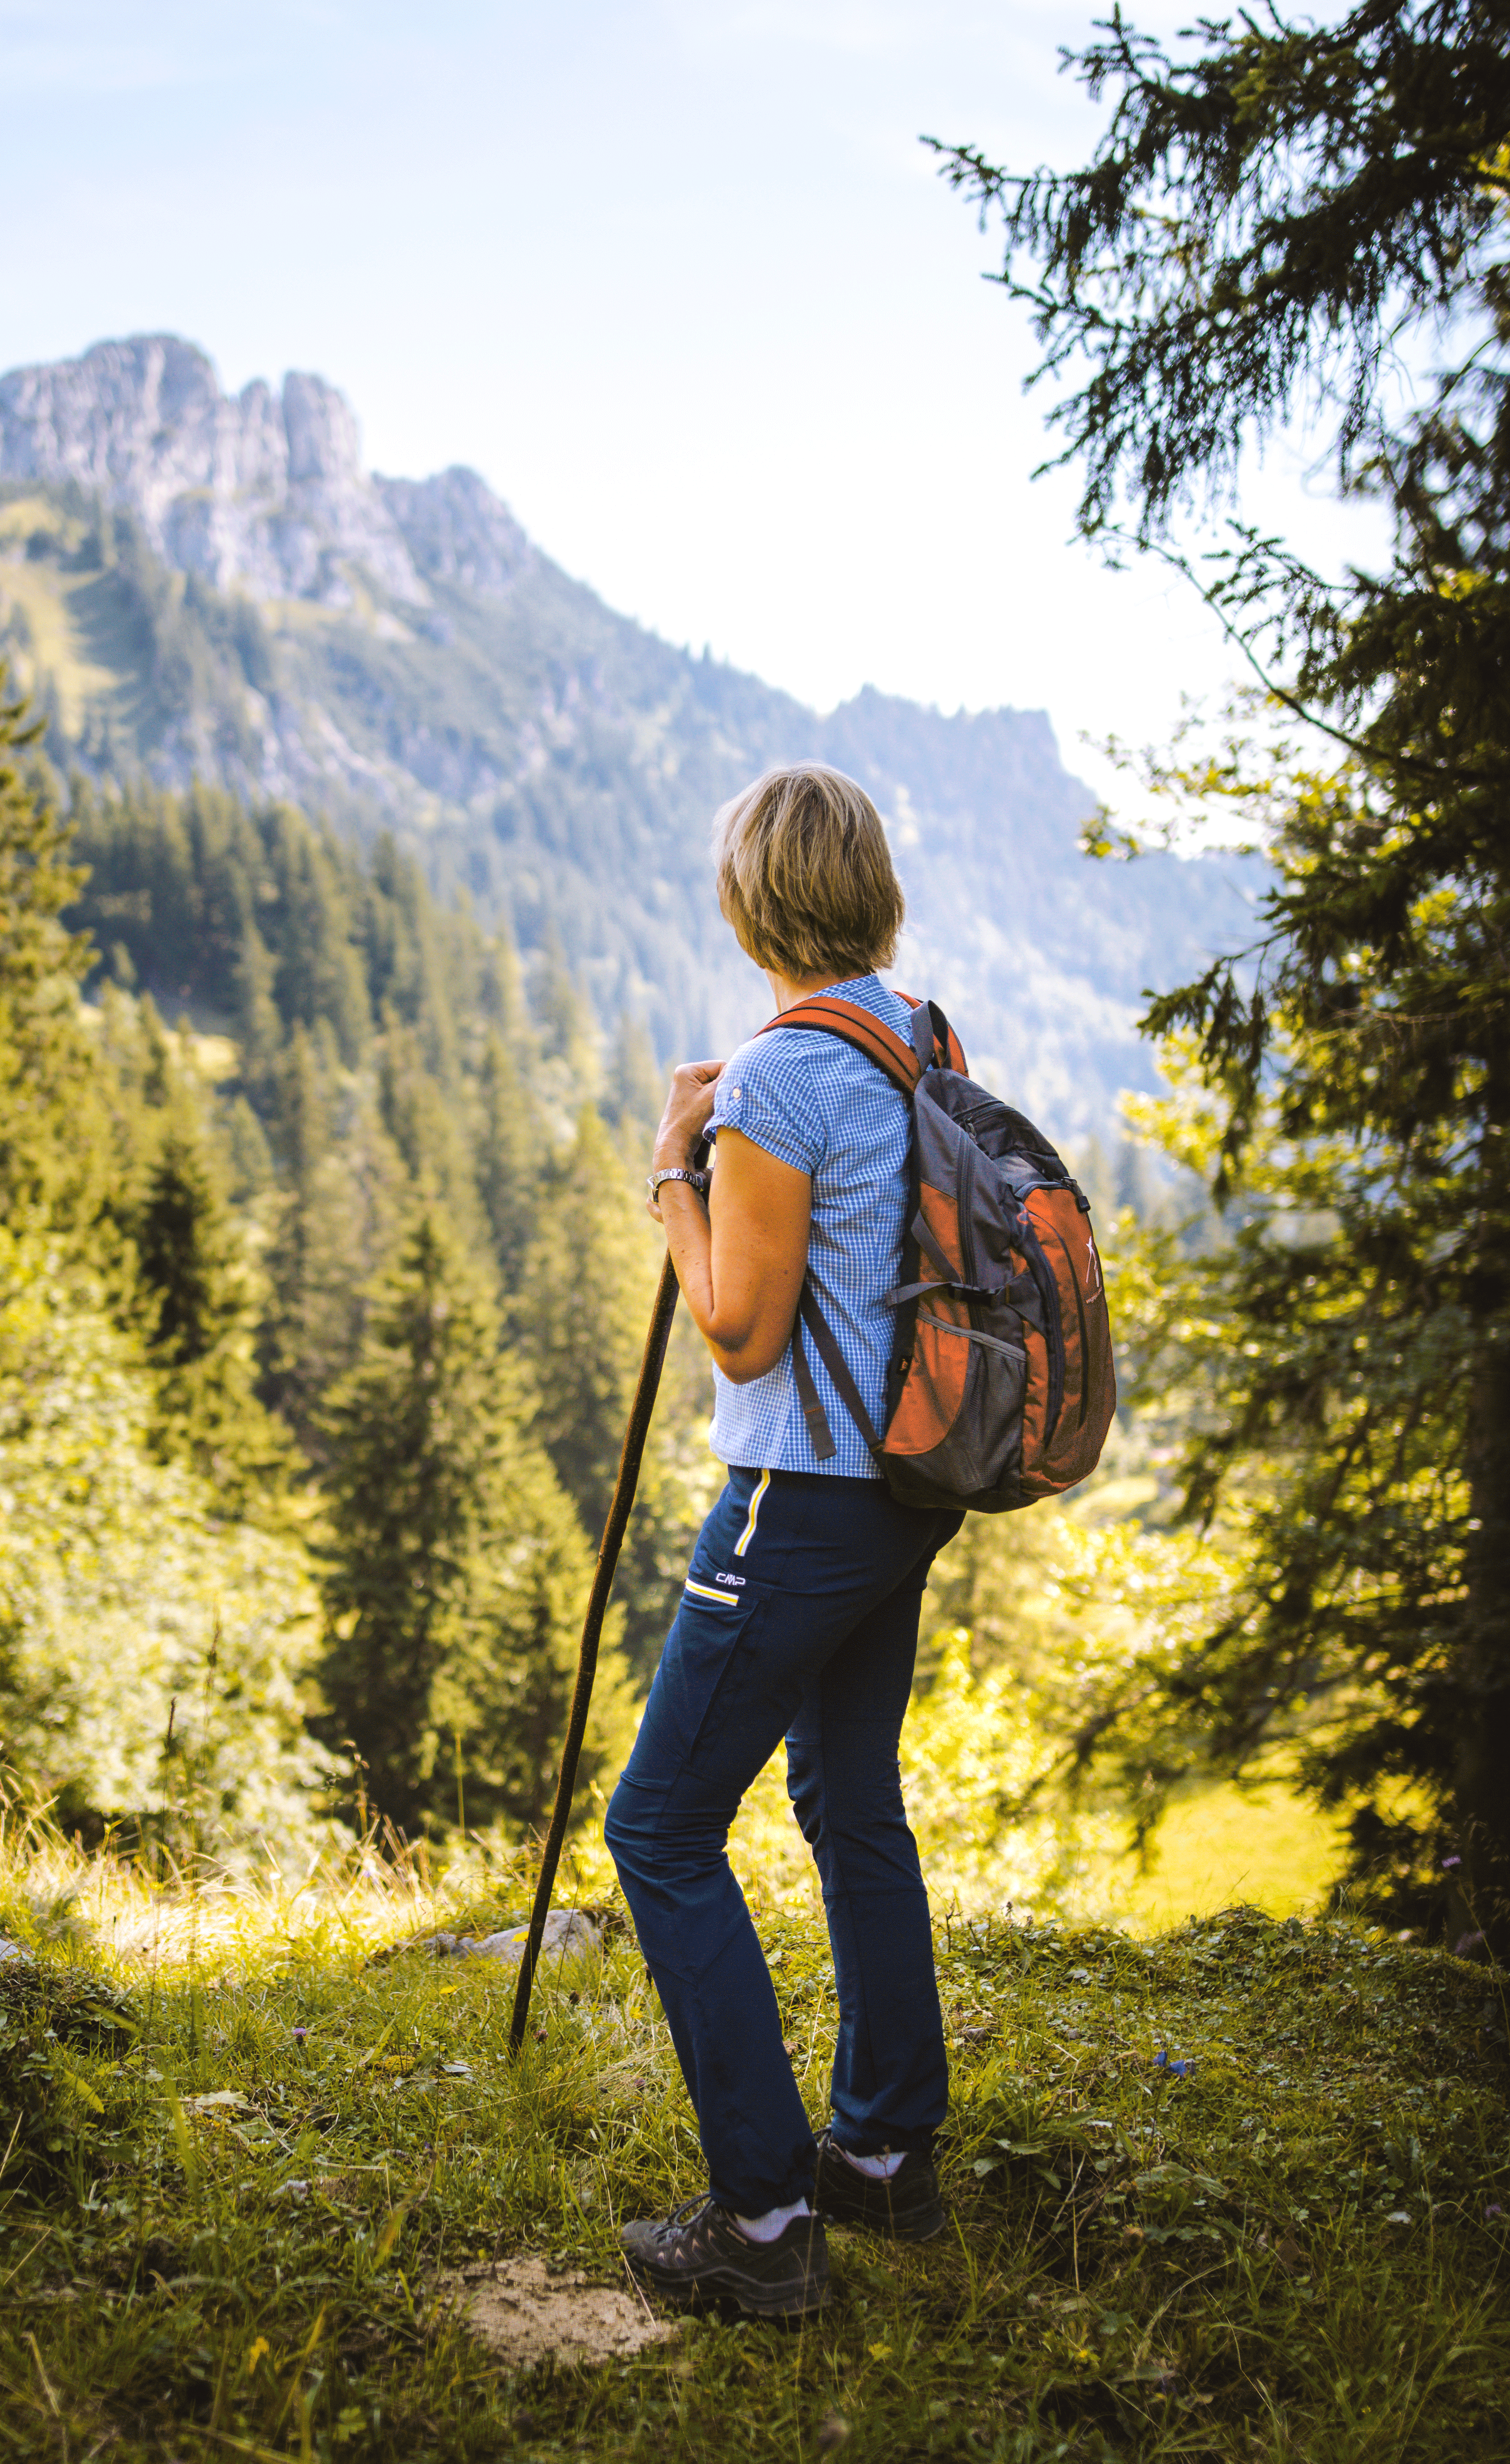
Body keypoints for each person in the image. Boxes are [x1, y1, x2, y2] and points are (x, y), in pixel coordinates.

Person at [606, 762, 960, 2319]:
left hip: (796, 1497)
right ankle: (882, 2155)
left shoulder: (777, 1078)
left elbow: (741, 1335)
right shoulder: (911, 1040)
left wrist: (675, 1172)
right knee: (844, 1790)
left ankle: (759, 2224)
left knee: (661, 1830)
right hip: (903, 1488)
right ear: (868, 888)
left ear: (750, 900)